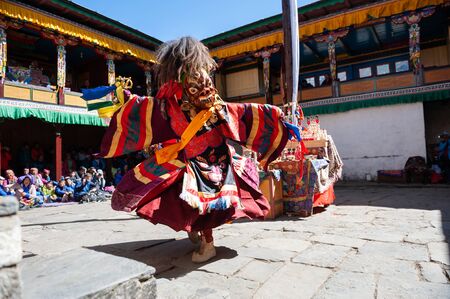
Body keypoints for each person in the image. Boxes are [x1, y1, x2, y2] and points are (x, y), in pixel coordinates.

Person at [85, 36, 296, 263]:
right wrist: (127, 100)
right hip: (184, 151)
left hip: (208, 153)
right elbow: (160, 110)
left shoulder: (194, 79)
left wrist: (264, 114)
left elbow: (213, 107)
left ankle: (208, 244)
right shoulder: (172, 87)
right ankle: (195, 230)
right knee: (181, 196)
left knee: (206, 201)